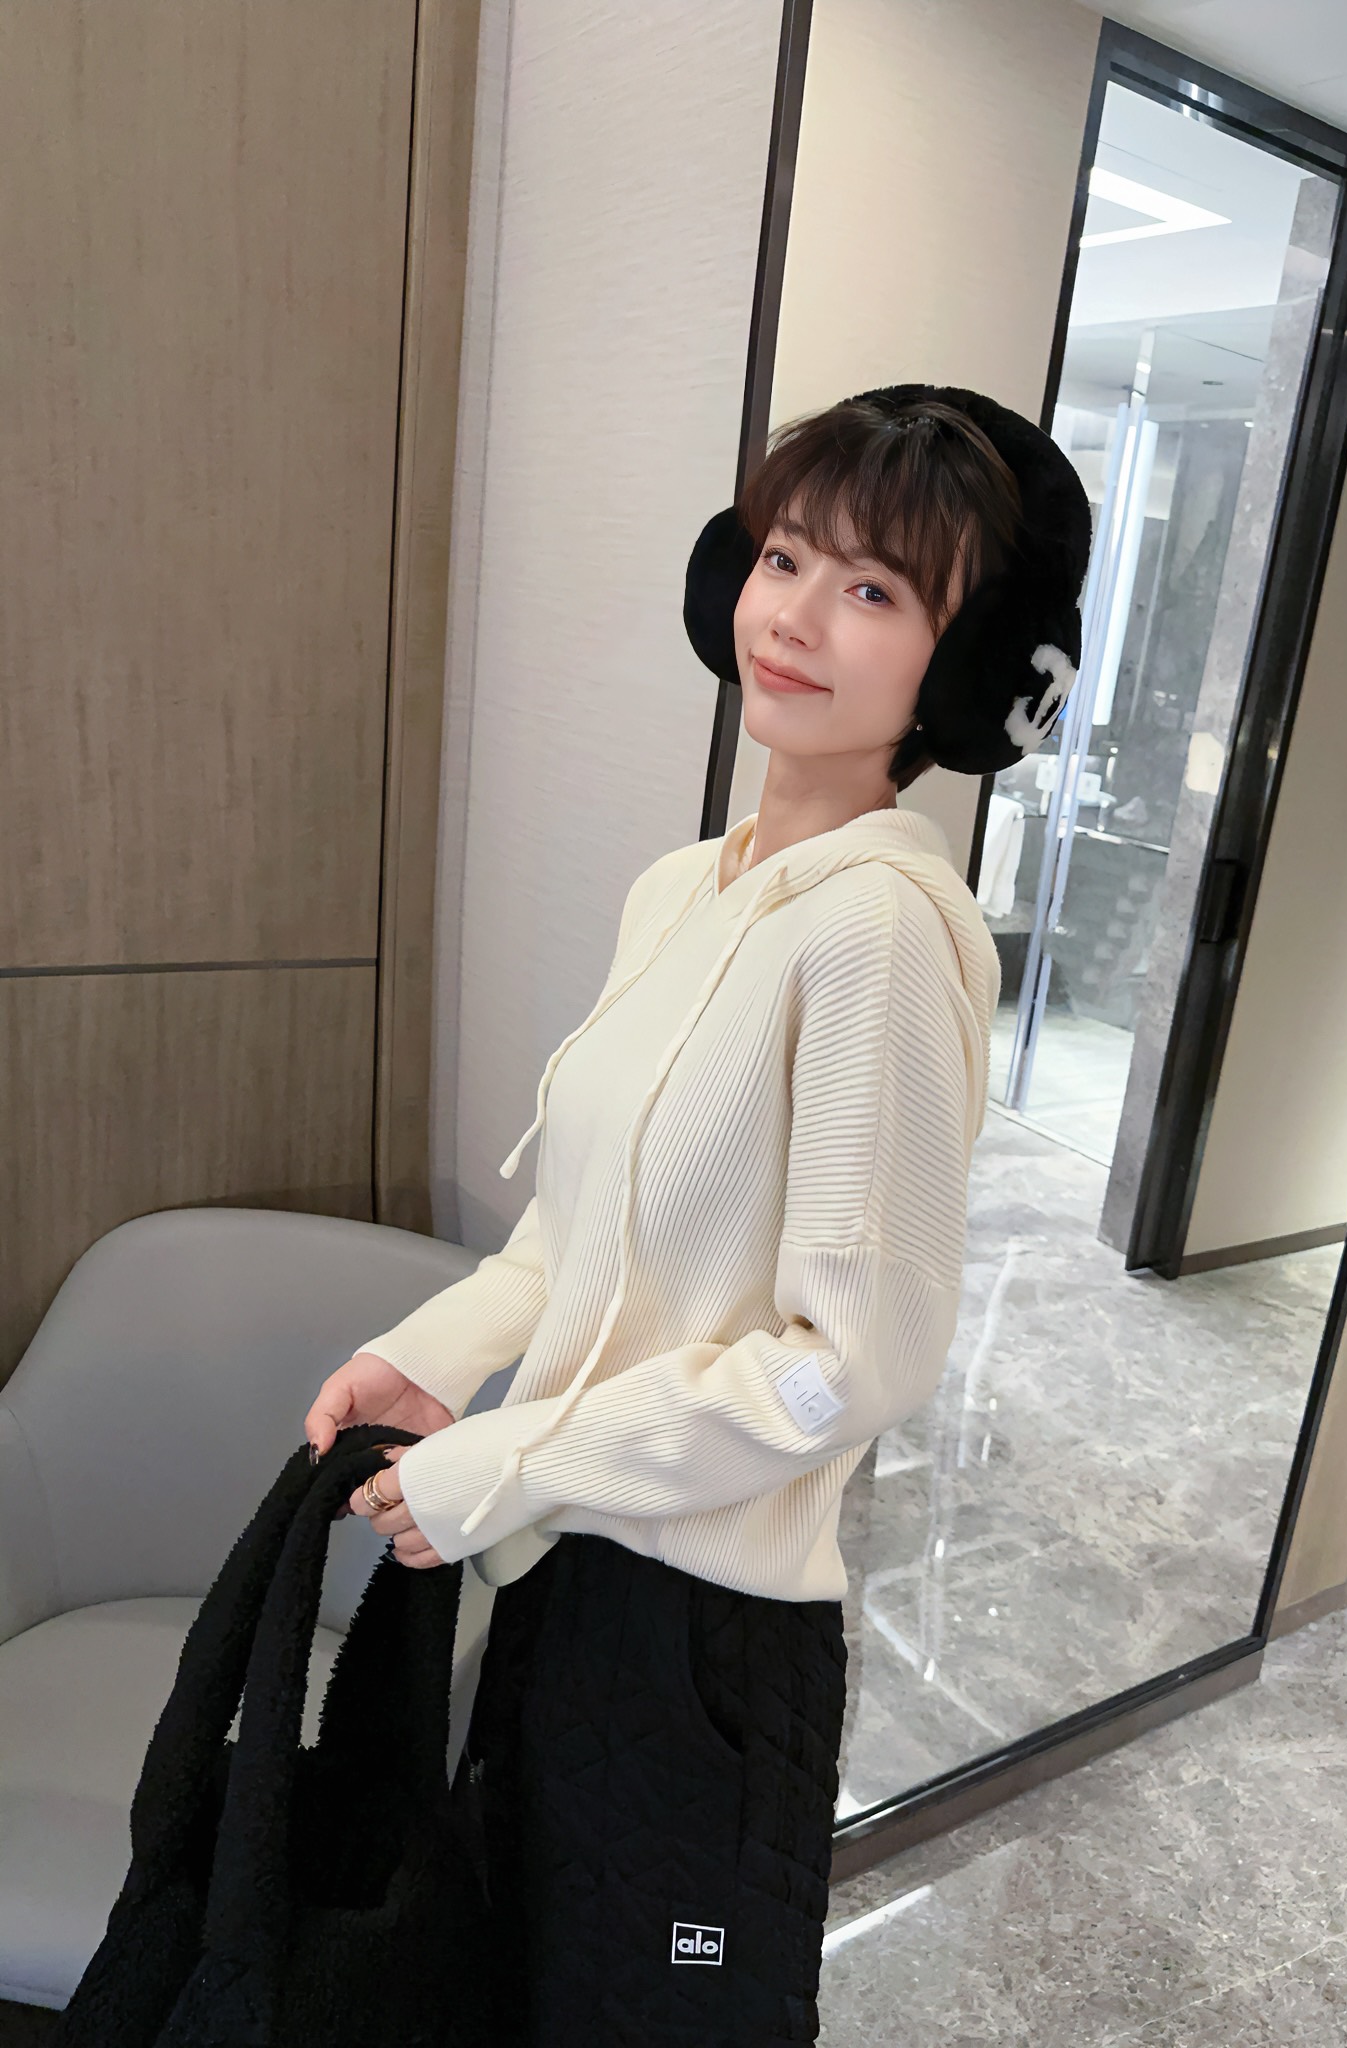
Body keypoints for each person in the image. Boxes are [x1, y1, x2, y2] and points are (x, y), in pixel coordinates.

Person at [303, 385, 1089, 2044]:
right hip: (567, 1574)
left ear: (964, 670)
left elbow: (851, 1364)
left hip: (707, 1637)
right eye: (784, 557)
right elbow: (577, 1230)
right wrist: (432, 1355)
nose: (793, 617)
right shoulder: (682, 886)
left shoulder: (885, 934)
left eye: (873, 588)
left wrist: (511, 1461)